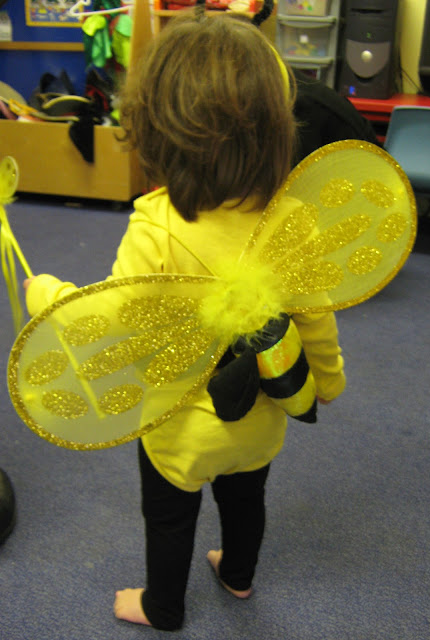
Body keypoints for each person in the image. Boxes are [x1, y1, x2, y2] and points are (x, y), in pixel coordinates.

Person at [23, 13, 346, 631]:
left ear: (159, 131)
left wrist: (48, 297)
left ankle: (163, 606)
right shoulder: (295, 220)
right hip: (262, 418)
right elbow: (316, 319)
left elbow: (113, 323)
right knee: (247, 495)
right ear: (277, 126)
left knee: (170, 515)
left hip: (178, 429)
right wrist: (327, 381)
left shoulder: (156, 223)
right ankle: (238, 575)